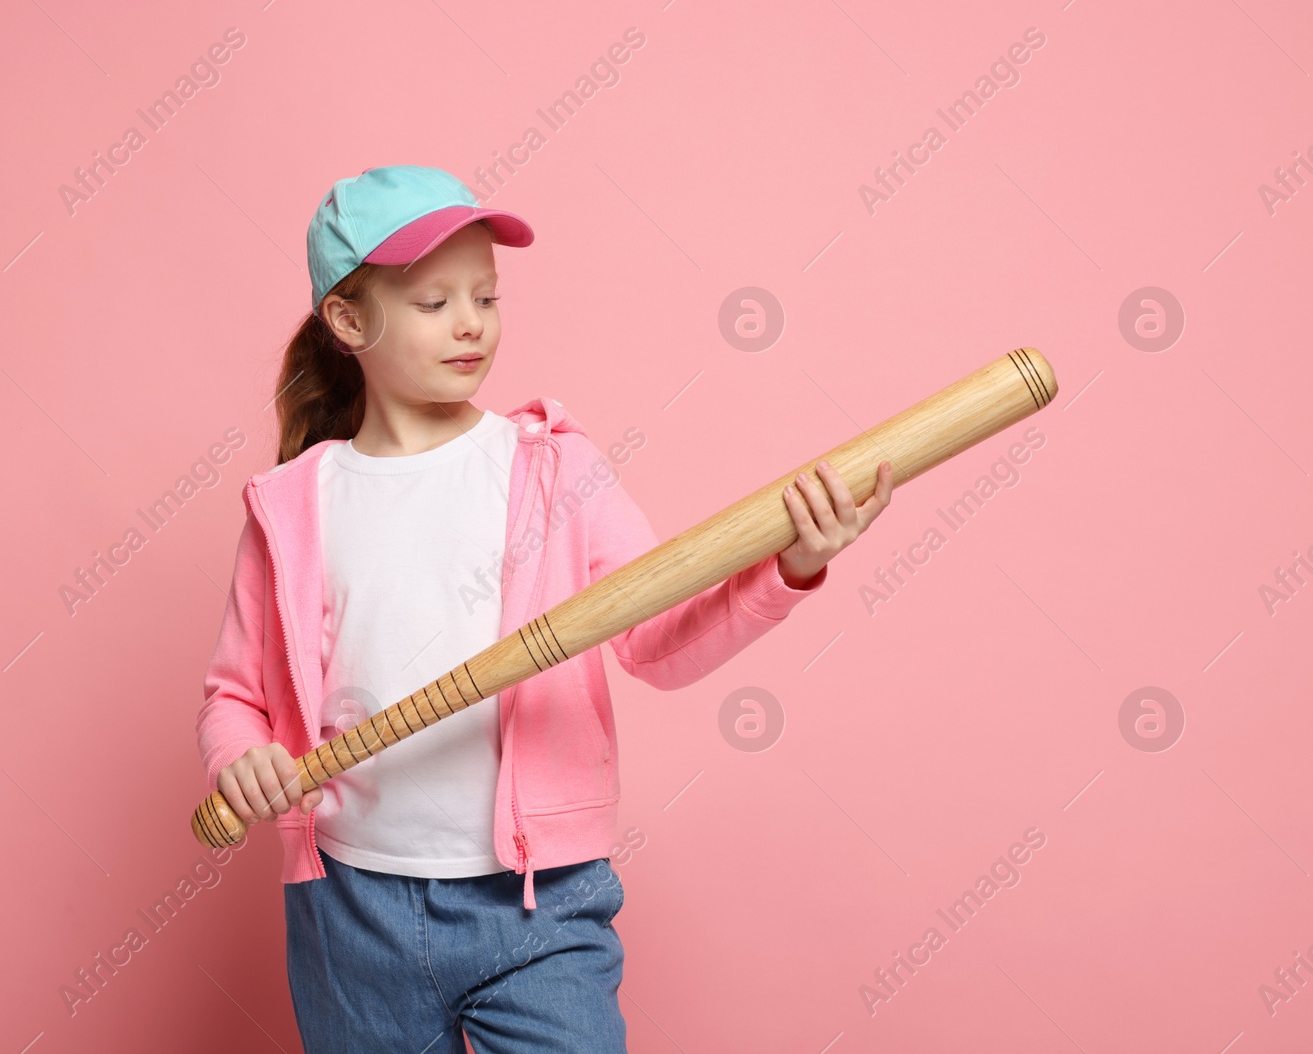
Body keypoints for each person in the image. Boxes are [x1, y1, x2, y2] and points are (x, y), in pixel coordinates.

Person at [194, 164, 893, 1053]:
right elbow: (232, 695)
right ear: (347, 320)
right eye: (432, 301)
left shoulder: (553, 469)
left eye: (485, 295)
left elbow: (654, 640)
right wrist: (242, 757)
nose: (470, 322)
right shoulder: (293, 503)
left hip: (538, 904)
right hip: (348, 909)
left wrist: (786, 568)